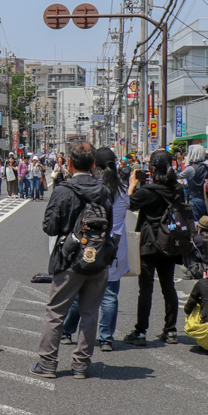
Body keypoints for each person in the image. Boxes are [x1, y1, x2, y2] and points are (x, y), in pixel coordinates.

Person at [31, 142, 113, 379]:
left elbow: (50, 227)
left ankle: (47, 364)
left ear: (69, 163)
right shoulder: (104, 191)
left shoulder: (63, 191)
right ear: (93, 165)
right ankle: (81, 365)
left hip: (69, 259)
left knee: (56, 313)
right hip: (98, 258)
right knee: (90, 312)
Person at [60, 149, 129, 352]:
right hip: (113, 248)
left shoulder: (91, 188)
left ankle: (67, 331)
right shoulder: (122, 190)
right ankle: (106, 338)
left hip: (88, 245)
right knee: (110, 294)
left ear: (93, 165)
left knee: (79, 289)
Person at [124, 150, 188, 347]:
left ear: (151, 168)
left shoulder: (147, 191)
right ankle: (170, 331)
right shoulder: (178, 189)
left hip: (148, 244)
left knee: (146, 289)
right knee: (168, 287)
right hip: (169, 242)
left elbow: (129, 203)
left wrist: (132, 185)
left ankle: (141, 331)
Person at [182, 144, 208, 220]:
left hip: (194, 199)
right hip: (206, 199)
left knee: (195, 224)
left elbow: (178, 176)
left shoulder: (191, 169)